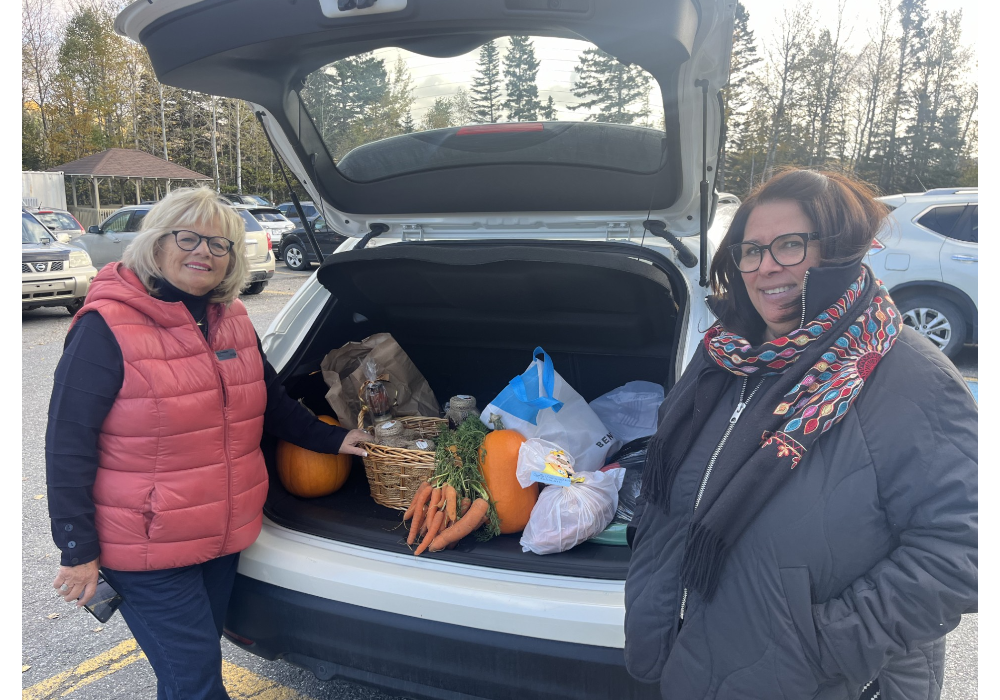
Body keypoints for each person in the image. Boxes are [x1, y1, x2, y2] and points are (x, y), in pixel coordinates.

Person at [624, 170, 977, 700]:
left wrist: (828, 643)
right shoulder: (724, 354)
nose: (766, 266)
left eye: (789, 245)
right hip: (691, 654)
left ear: (837, 249)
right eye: (750, 250)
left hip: (815, 678)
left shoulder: (905, 372)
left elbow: (961, 546)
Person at [46, 188, 370, 700]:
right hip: (145, 546)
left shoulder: (232, 319)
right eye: (189, 237)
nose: (204, 252)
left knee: (192, 673)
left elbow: (269, 402)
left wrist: (337, 440)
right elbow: (67, 445)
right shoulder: (105, 328)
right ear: (156, 242)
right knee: (195, 681)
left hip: (219, 536)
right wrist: (77, 549)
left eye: (221, 245)